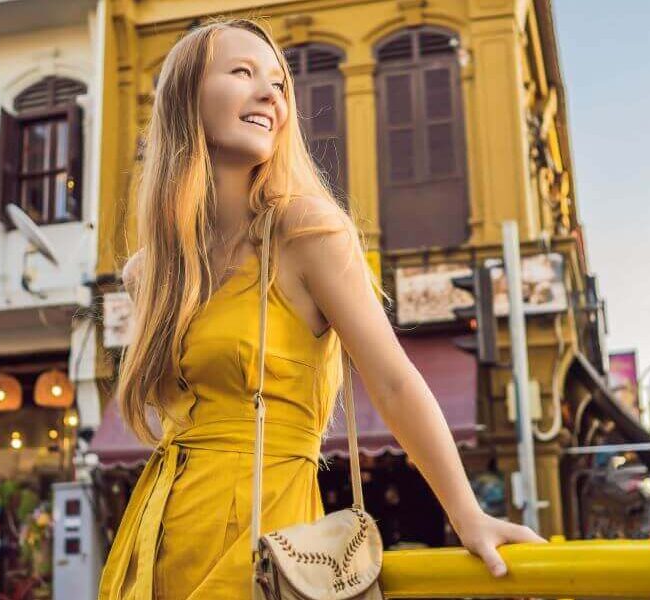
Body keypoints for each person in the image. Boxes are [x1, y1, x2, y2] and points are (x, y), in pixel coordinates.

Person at [96, 19, 544, 599]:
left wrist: (466, 514)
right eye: (242, 72)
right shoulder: (149, 272)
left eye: (279, 83)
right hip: (155, 536)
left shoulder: (305, 231)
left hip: (265, 538)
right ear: (185, 98)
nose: (270, 94)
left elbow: (392, 379)